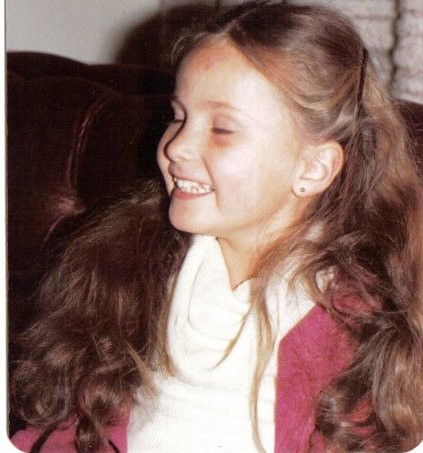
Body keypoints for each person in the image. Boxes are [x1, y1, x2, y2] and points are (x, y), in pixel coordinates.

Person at [10, 1, 423, 452]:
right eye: (178, 116)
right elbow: (61, 430)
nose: (176, 146)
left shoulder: (365, 323)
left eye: (222, 129)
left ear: (313, 167)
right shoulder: (125, 270)